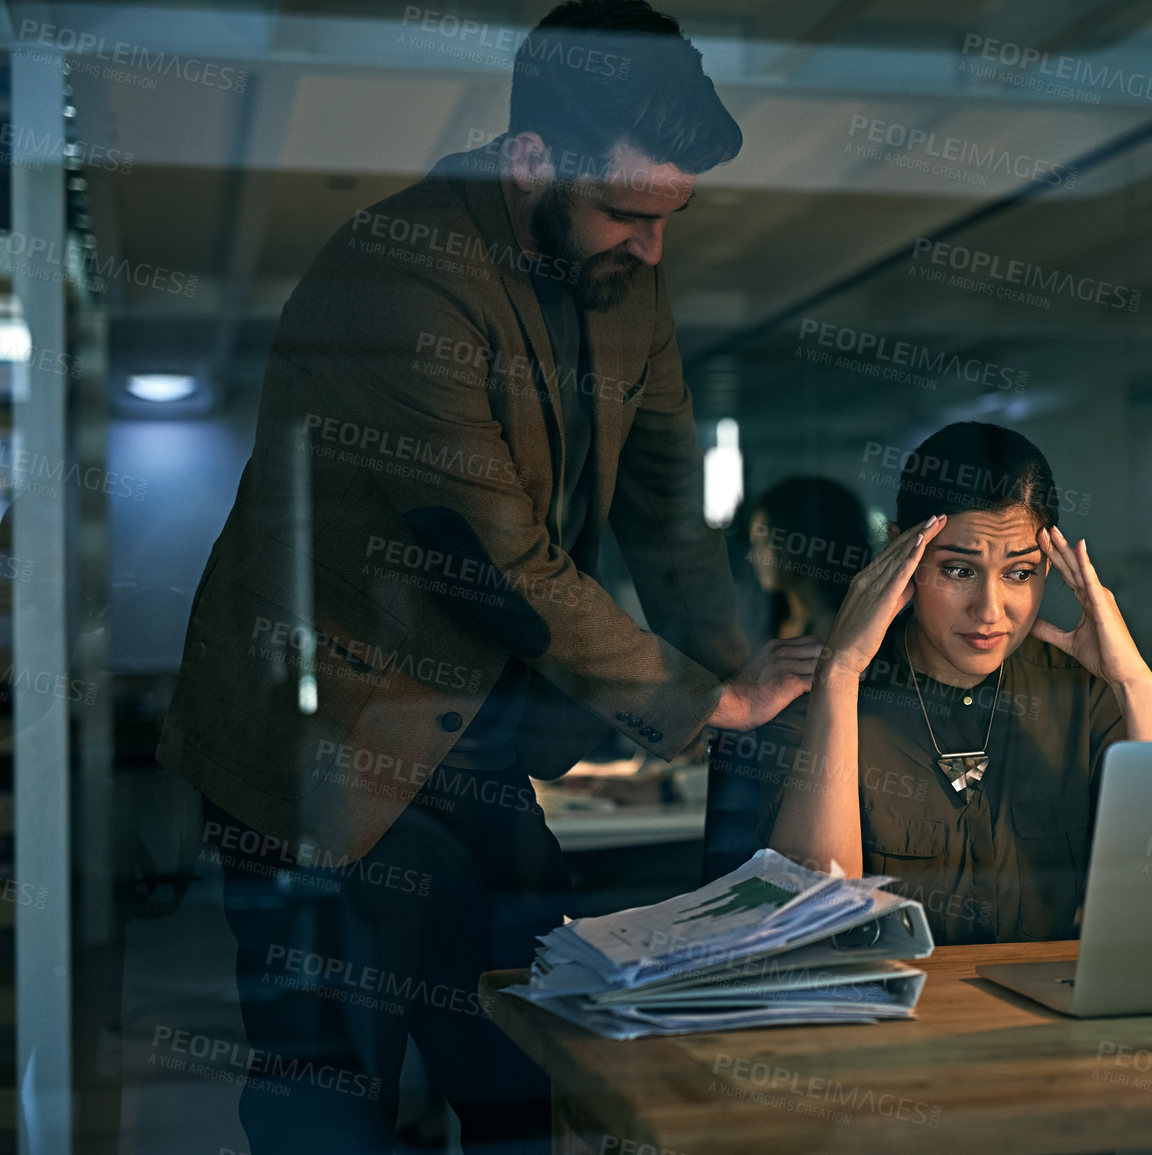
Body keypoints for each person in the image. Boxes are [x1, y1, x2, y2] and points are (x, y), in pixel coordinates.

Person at [155, 4, 817, 1152]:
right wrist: (703, 703)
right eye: (627, 213)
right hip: (330, 731)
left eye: (672, 219)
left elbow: (670, 517)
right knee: (332, 1089)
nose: (654, 248)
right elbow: (504, 559)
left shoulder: (629, 278)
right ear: (528, 162)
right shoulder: (399, 275)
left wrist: (744, 682)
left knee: (524, 1054)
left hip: (473, 732)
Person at [757, 422, 1152, 946]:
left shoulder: (1085, 694)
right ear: (900, 554)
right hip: (881, 1014)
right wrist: (839, 678)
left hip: (1041, 1016)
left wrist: (1136, 683)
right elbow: (812, 924)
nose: (990, 612)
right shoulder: (823, 688)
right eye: (958, 570)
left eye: (1020, 573)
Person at [744, 477, 873, 641]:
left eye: (765, 541)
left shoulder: (850, 630)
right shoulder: (765, 623)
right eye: (754, 543)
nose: (754, 556)